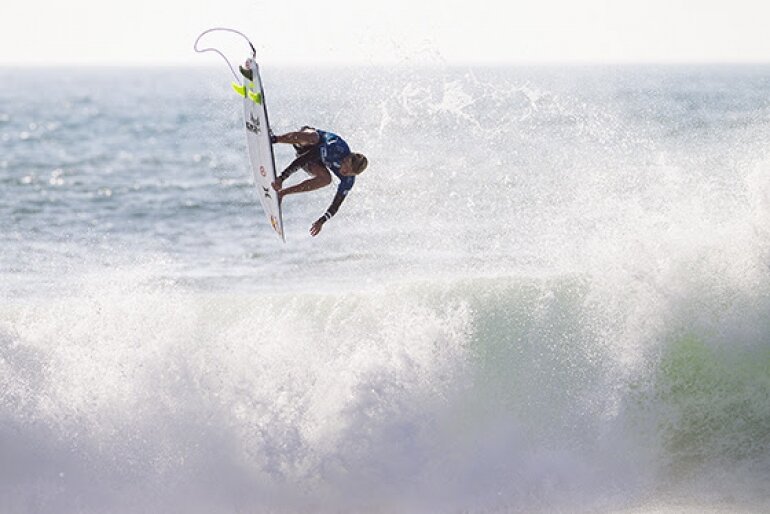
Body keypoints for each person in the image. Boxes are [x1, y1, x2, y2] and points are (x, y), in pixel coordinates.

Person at [271, 127, 368, 236]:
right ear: (346, 158)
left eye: (348, 171)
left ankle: (282, 193)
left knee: (326, 180)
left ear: (354, 174)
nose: (344, 171)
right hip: (304, 143)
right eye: (345, 164)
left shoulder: (348, 181)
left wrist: (322, 221)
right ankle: (274, 139)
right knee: (314, 138)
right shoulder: (335, 147)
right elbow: (304, 158)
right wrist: (282, 177)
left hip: (313, 163)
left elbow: (336, 204)